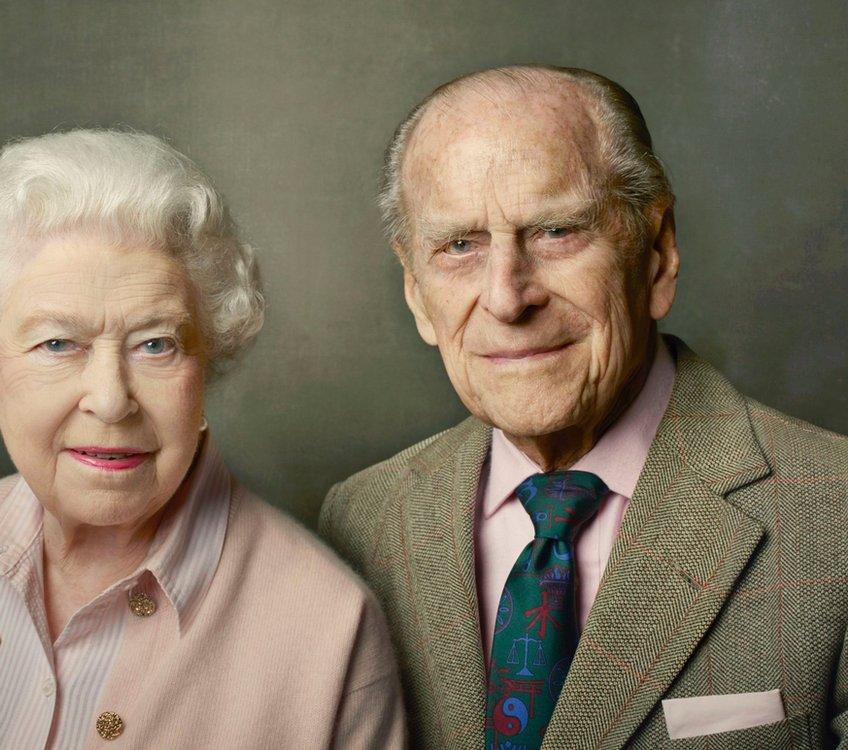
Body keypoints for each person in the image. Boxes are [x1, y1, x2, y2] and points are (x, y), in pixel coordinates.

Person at [319, 65, 847, 749]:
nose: (508, 299)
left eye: (557, 232)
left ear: (657, 254)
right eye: (459, 246)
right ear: (417, 292)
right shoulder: (358, 524)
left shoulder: (835, 516)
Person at [0, 129, 405, 749]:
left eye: (156, 344)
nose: (111, 398)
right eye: (58, 344)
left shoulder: (330, 632)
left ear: (206, 364)